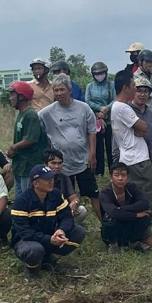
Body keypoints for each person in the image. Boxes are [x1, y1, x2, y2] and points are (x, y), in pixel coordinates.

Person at [39, 73, 101, 222]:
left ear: (70, 89)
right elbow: (34, 122)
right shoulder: (47, 112)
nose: (59, 93)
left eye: (62, 89)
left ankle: (104, 223)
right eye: (56, 90)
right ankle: (66, 224)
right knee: (64, 195)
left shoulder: (83, 108)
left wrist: (92, 155)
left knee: (93, 194)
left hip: (83, 160)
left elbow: (92, 131)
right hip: (61, 165)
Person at [111, 69, 152, 247]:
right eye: (134, 86)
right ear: (126, 88)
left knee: (134, 196)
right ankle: (144, 233)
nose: (137, 90)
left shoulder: (118, 107)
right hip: (137, 159)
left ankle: (136, 233)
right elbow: (143, 127)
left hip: (132, 157)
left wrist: (139, 128)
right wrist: (138, 128)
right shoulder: (123, 108)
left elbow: (144, 129)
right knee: (145, 196)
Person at [11, 165, 86, 279]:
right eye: (46, 180)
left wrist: (61, 230)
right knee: (35, 250)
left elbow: (67, 217)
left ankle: (49, 261)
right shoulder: (22, 201)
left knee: (78, 232)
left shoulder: (55, 194)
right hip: (26, 240)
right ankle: (32, 271)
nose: (51, 182)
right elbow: (24, 232)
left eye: (52, 178)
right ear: (35, 183)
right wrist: (49, 239)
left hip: (50, 235)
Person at [4, 81, 49, 198]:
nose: (10, 98)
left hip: (29, 166)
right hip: (20, 167)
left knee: (29, 199)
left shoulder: (31, 115)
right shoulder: (21, 114)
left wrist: (13, 147)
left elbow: (31, 139)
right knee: (20, 201)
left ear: (21, 97)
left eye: (12, 95)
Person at [99, 162, 152, 253]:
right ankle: (113, 245)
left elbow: (144, 203)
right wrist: (135, 215)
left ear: (127, 178)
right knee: (110, 219)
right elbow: (113, 212)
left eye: (123, 175)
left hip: (128, 224)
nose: (120, 178)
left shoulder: (132, 188)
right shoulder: (105, 193)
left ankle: (133, 242)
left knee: (146, 215)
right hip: (113, 228)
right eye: (116, 175)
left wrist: (122, 209)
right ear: (111, 178)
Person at [128, 76, 152, 195]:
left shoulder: (150, 113)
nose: (142, 94)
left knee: (149, 193)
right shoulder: (126, 111)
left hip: (148, 158)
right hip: (132, 160)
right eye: (139, 91)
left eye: (146, 91)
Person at [85, 61, 117, 176]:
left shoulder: (111, 85)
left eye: (101, 73)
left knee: (110, 145)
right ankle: (99, 171)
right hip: (96, 119)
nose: (99, 75)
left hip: (110, 119)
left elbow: (115, 99)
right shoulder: (90, 86)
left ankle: (113, 169)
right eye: (97, 73)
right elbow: (87, 101)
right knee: (97, 145)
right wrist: (99, 110)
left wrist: (106, 109)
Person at [43, 148, 88, 225]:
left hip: (60, 212)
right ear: (45, 164)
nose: (57, 166)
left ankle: (65, 228)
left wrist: (74, 203)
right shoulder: (38, 178)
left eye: (59, 163)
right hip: (44, 214)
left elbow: (74, 197)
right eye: (53, 163)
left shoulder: (64, 177)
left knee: (82, 210)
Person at [133, 50, 152, 124]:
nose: (149, 64)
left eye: (151, 62)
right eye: (146, 62)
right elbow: (142, 92)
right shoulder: (136, 75)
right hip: (144, 108)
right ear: (141, 62)